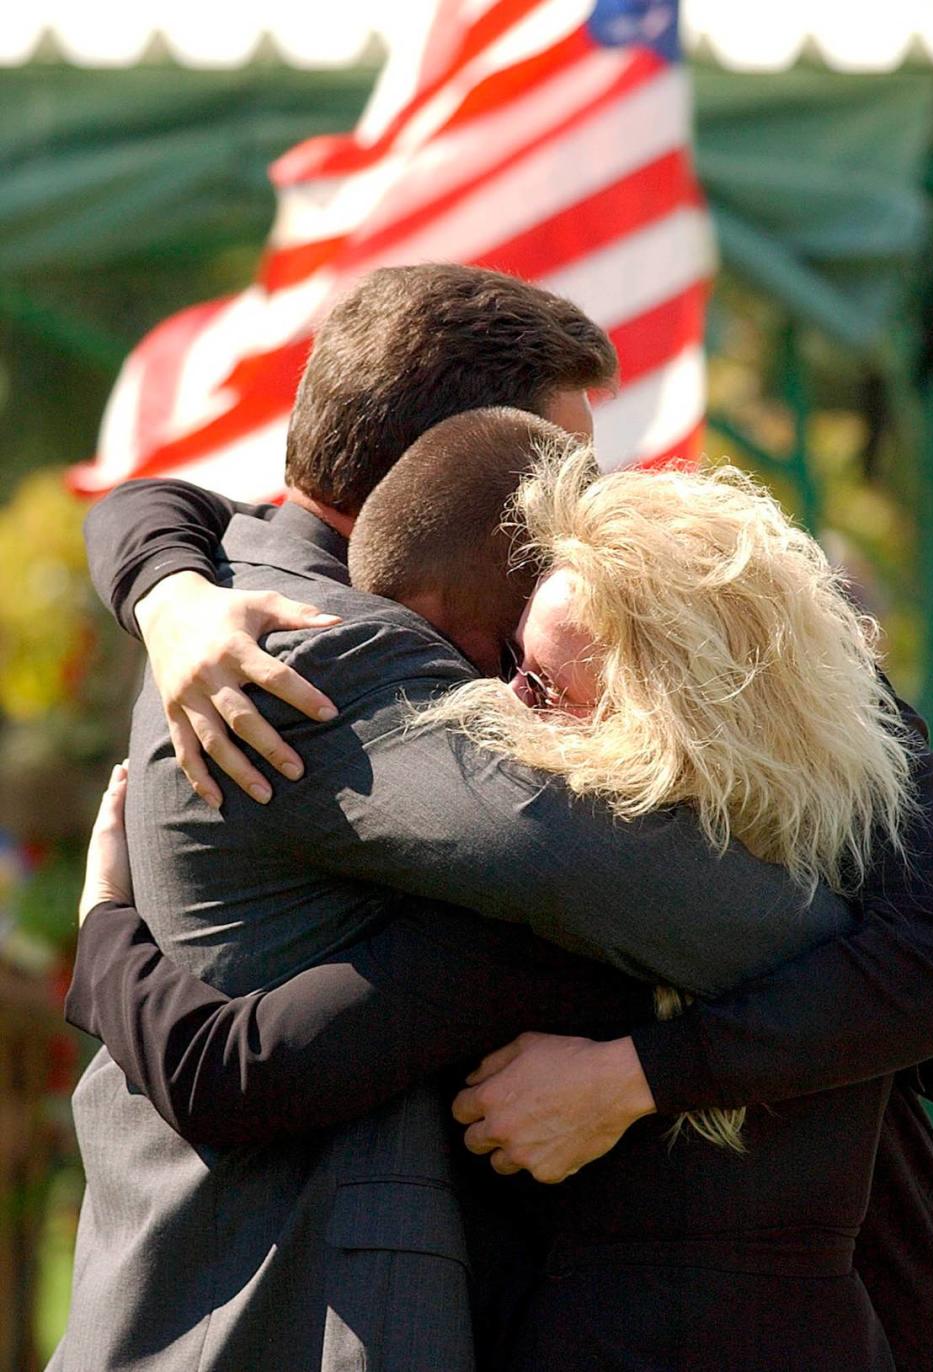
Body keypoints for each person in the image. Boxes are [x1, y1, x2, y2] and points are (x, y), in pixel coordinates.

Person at [55, 272, 866, 1372]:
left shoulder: (236, 584)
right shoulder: (327, 651)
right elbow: (690, 897)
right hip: (282, 1322)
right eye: (556, 489)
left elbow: (165, 503)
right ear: (443, 467)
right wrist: (885, 936)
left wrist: (157, 577)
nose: (577, 532)